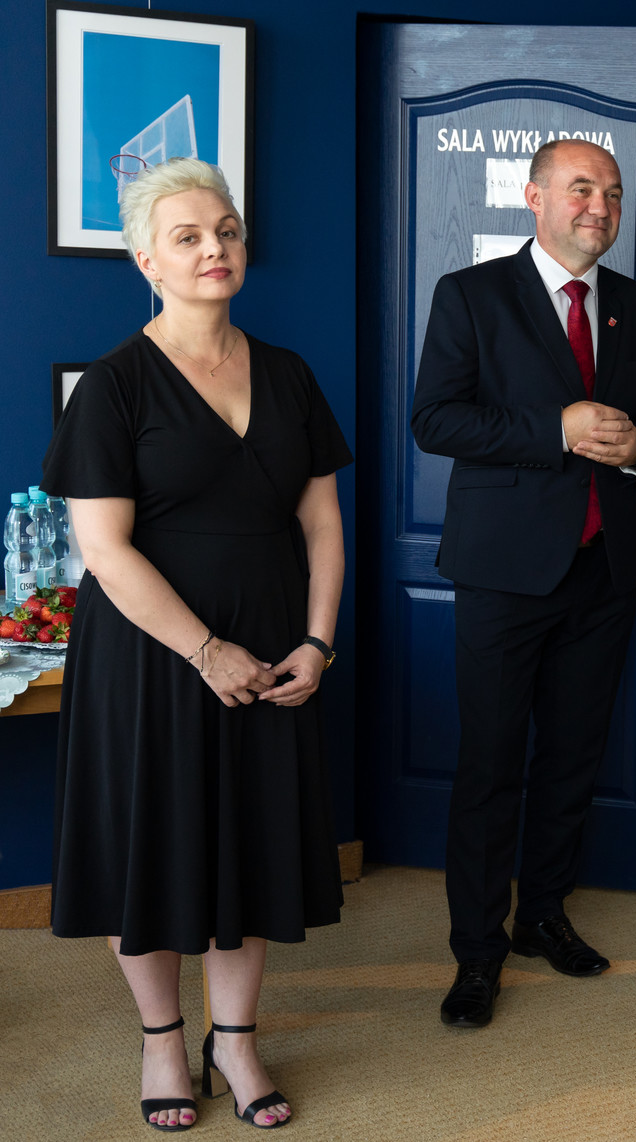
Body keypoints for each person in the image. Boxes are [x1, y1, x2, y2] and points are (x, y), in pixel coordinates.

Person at [41, 157, 350, 1130]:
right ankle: (163, 1040)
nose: (214, 248)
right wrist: (204, 648)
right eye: (187, 237)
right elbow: (104, 549)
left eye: (226, 231)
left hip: (272, 651)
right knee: (148, 848)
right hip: (150, 656)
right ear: (147, 260)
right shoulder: (113, 386)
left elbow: (322, 524)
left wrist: (318, 641)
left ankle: (237, 1040)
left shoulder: (290, 373)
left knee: (249, 844)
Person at [412, 138, 636, 1028]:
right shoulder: (471, 294)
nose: (599, 207)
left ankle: (540, 915)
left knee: (573, 757)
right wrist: (556, 428)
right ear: (534, 198)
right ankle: (477, 952)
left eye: (612, 193)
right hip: (504, 573)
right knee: (491, 765)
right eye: (580, 190)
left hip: (602, 570)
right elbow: (435, 419)